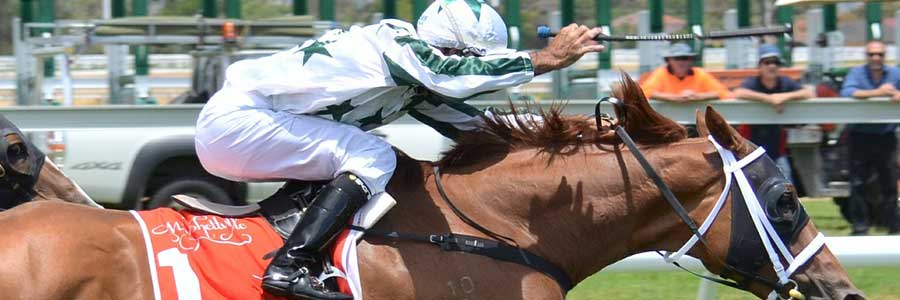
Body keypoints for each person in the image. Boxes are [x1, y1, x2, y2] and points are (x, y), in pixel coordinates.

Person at [193, 0, 606, 299]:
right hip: (239, 123)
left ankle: (314, 256)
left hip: (249, 131)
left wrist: (584, 134)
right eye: (472, 60)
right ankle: (290, 265)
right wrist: (547, 58)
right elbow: (450, 74)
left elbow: (479, 127)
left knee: (372, 158)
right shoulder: (394, 43)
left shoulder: (414, 80)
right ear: (451, 47)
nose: (475, 71)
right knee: (373, 155)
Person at [839, 40, 900, 236]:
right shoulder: (857, 73)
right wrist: (879, 93)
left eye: (880, 54)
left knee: (889, 184)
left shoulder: (895, 73)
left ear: (885, 56)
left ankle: (894, 227)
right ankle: (860, 227)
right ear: (867, 56)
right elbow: (848, 92)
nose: (876, 58)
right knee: (858, 183)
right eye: (872, 54)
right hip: (860, 136)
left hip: (886, 137)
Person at [733, 44, 814, 180]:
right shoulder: (752, 83)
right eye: (767, 62)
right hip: (751, 148)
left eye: (776, 62)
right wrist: (769, 99)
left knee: (786, 184)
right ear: (759, 66)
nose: (772, 66)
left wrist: (784, 97)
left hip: (777, 148)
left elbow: (809, 92)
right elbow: (739, 92)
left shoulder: (785, 83)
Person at [640, 43, 732, 102]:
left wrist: (696, 96)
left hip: (696, 122)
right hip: (666, 122)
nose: (682, 62)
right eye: (677, 58)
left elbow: (722, 92)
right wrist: (676, 98)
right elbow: (645, 92)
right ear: (669, 61)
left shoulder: (700, 74)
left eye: (685, 58)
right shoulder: (660, 73)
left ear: (691, 60)